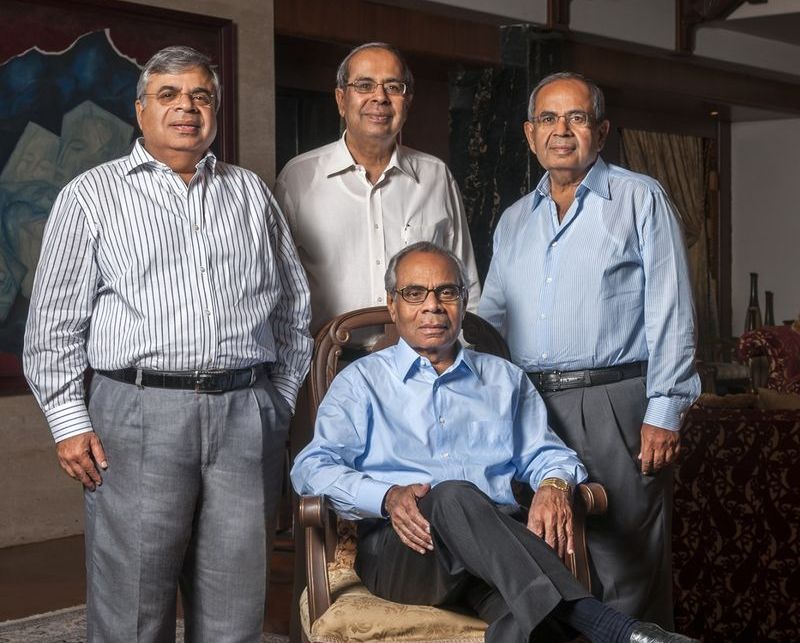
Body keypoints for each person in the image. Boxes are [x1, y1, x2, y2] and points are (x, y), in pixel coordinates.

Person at [23, 46, 312, 643]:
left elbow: (293, 307)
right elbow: (53, 323)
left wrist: (276, 404)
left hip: (245, 414)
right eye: (170, 95)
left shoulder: (250, 194)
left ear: (215, 111)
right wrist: (68, 421)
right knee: (133, 605)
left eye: (201, 96)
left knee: (236, 603)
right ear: (140, 110)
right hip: (136, 414)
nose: (187, 107)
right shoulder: (91, 196)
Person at [291, 242, 699, 643]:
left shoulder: (504, 379)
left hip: (496, 553)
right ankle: (617, 629)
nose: (432, 306)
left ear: (464, 302)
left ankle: (596, 626)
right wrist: (387, 496)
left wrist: (555, 483)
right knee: (451, 495)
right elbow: (311, 468)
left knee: (536, 622)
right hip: (406, 550)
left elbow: (547, 454)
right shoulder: (360, 382)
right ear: (393, 304)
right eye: (414, 293)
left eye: (446, 292)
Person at [479, 72, 701, 627]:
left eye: (576, 118)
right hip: (528, 408)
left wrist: (665, 409)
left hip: (615, 403)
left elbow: (672, 307)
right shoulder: (513, 220)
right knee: (542, 559)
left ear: (600, 132)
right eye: (548, 119)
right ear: (530, 133)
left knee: (625, 565)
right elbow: (490, 319)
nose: (561, 130)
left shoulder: (640, 198)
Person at [274, 42, 480, 333]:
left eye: (393, 87)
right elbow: (276, 287)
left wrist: (467, 352)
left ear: (407, 102)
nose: (380, 97)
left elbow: (465, 281)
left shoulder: (435, 176)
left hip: (421, 355)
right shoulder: (298, 178)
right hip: (330, 356)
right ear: (341, 99)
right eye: (365, 85)